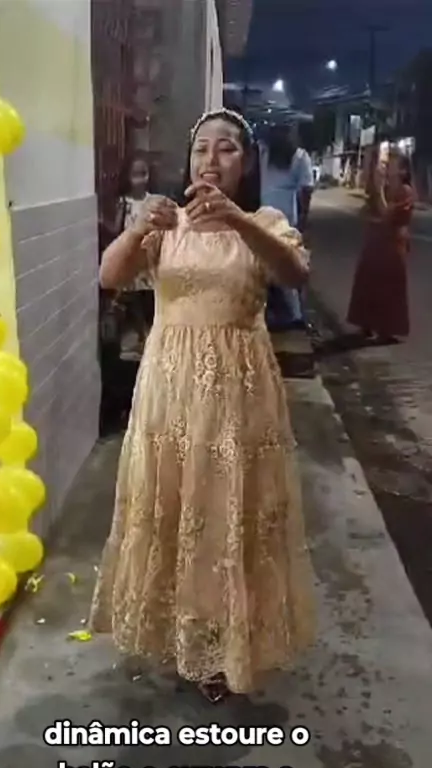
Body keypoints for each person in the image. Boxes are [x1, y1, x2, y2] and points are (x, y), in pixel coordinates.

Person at [90, 109, 315, 701]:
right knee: (169, 506)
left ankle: (222, 646)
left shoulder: (263, 221)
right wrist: (139, 229)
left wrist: (238, 221)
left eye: (227, 149)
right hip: (169, 386)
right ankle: (173, 630)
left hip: (238, 392)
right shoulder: (168, 220)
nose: (211, 160)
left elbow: (294, 274)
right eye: (201, 149)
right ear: (188, 160)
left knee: (224, 513)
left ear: (247, 162)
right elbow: (109, 275)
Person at [347, 151, 414, 345]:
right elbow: (364, 212)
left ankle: (386, 329)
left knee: (388, 286)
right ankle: (366, 323)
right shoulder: (384, 187)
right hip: (376, 239)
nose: (386, 167)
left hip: (393, 243)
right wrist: (375, 192)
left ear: (403, 171)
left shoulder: (406, 191)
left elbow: (387, 213)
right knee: (367, 280)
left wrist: (379, 191)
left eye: (391, 165)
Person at [261, 126, 314, 332]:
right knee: (278, 263)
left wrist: (303, 219)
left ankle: (293, 314)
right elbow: (306, 191)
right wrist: (303, 219)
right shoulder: (268, 154)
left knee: (280, 264)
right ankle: (292, 314)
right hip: (277, 216)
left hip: (276, 217)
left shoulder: (268, 154)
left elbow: (306, 191)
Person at [113, 155, 156, 356]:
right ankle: (142, 335)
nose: (140, 179)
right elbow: (117, 228)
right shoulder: (125, 202)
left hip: (148, 256)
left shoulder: (152, 201)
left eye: (143, 173)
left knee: (150, 297)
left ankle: (150, 335)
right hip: (130, 256)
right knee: (134, 298)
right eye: (135, 174)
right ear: (128, 177)